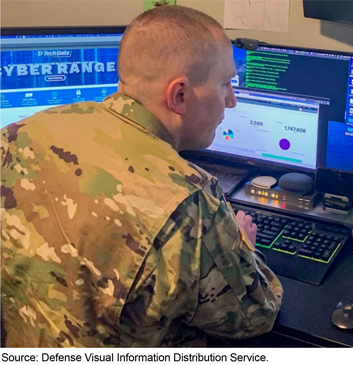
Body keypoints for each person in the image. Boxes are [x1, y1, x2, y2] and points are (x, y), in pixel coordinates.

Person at [0, 5, 283, 347]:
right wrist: (242, 247)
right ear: (179, 95)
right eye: (225, 84)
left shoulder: (19, 135)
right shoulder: (186, 201)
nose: (232, 101)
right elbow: (254, 317)